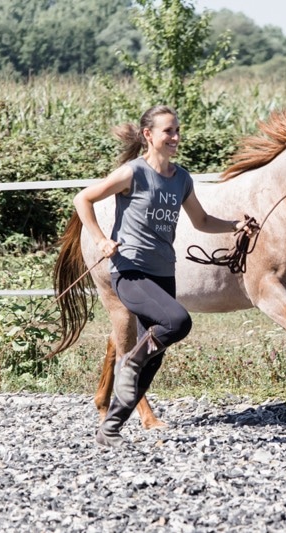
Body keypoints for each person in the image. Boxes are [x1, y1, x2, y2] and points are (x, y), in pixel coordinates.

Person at [73, 105, 253, 447]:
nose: (175, 137)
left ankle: (109, 430)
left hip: (163, 273)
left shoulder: (181, 178)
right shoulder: (133, 173)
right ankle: (129, 363)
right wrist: (100, 239)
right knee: (177, 322)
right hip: (130, 271)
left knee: (153, 359)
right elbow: (83, 199)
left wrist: (234, 225)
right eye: (168, 131)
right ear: (148, 135)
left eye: (177, 130)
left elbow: (201, 221)